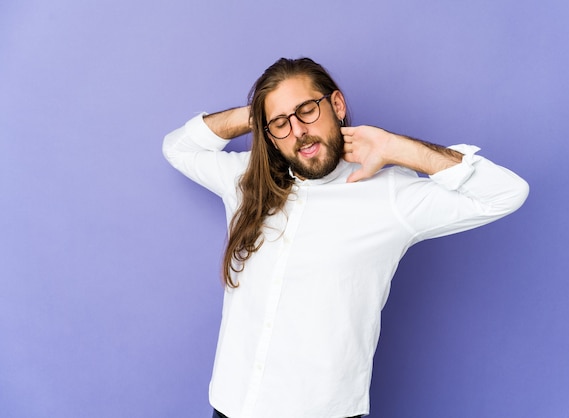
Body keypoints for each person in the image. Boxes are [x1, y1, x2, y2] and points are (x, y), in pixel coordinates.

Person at [162, 57, 529, 418]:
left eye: (306, 110)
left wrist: (397, 147)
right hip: (231, 405)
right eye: (280, 124)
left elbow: (506, 193)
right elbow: (178, 147)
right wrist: (257, 114)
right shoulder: (245, 182)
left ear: (336, 105)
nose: (298, 131)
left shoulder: (390, 195)